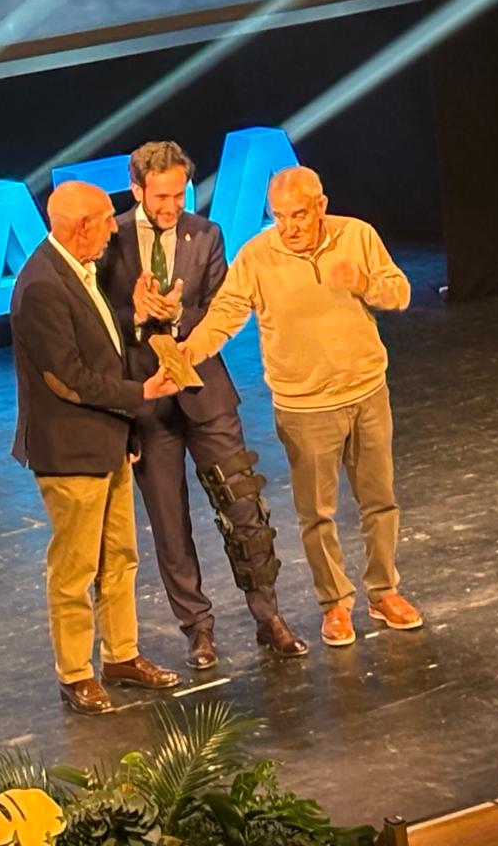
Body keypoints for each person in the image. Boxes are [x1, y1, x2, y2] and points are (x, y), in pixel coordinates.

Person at [175, 166, 420, 648]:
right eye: (279, 216)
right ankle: (335, 604)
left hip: (367, 392)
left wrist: (364, 281)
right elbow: (226, 314)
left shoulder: (357, 235)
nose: (289, 226)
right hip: (304, 406)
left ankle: (383, 591)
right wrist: (189, 351)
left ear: (321, 207)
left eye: (299, 215)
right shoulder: (258, 256)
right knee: (317, 513)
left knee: (380, 501)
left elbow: (401, 292)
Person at [96, 141, 308, 666]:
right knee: (170, 525)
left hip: (205, 394)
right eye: (161, 195)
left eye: (179, 194)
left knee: (243, 506)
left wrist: (179, 316)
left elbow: (221, 308)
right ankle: (198, 628)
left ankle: (268, 616)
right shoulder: (112, 239)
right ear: (138, 187)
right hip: (148, 403)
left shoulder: (206, 234)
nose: (171, 206)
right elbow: (99, 318)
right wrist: (138, 316)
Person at [9, 180, 183, 714]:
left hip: (108, 439)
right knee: (76, 566)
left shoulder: (82, 272)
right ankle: (75, 671)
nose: (115, 228)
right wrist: (142, 394)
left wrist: (127, 428)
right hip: (70, 451)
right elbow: (68, 379)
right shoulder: (41, 284)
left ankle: (121, 654)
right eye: (108, 219)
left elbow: (102, 350)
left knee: (121, 557)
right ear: (79, 225)